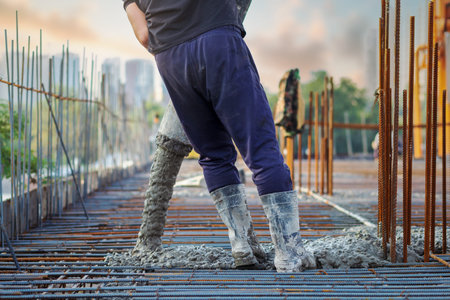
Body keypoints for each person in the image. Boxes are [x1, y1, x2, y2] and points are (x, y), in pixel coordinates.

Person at [123, 0, 315, 272]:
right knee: (261, 150)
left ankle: (241, 246)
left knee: (212, 155)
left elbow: (143, 35)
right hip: (218, 40)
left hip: (170, 58)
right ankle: (290, 253)